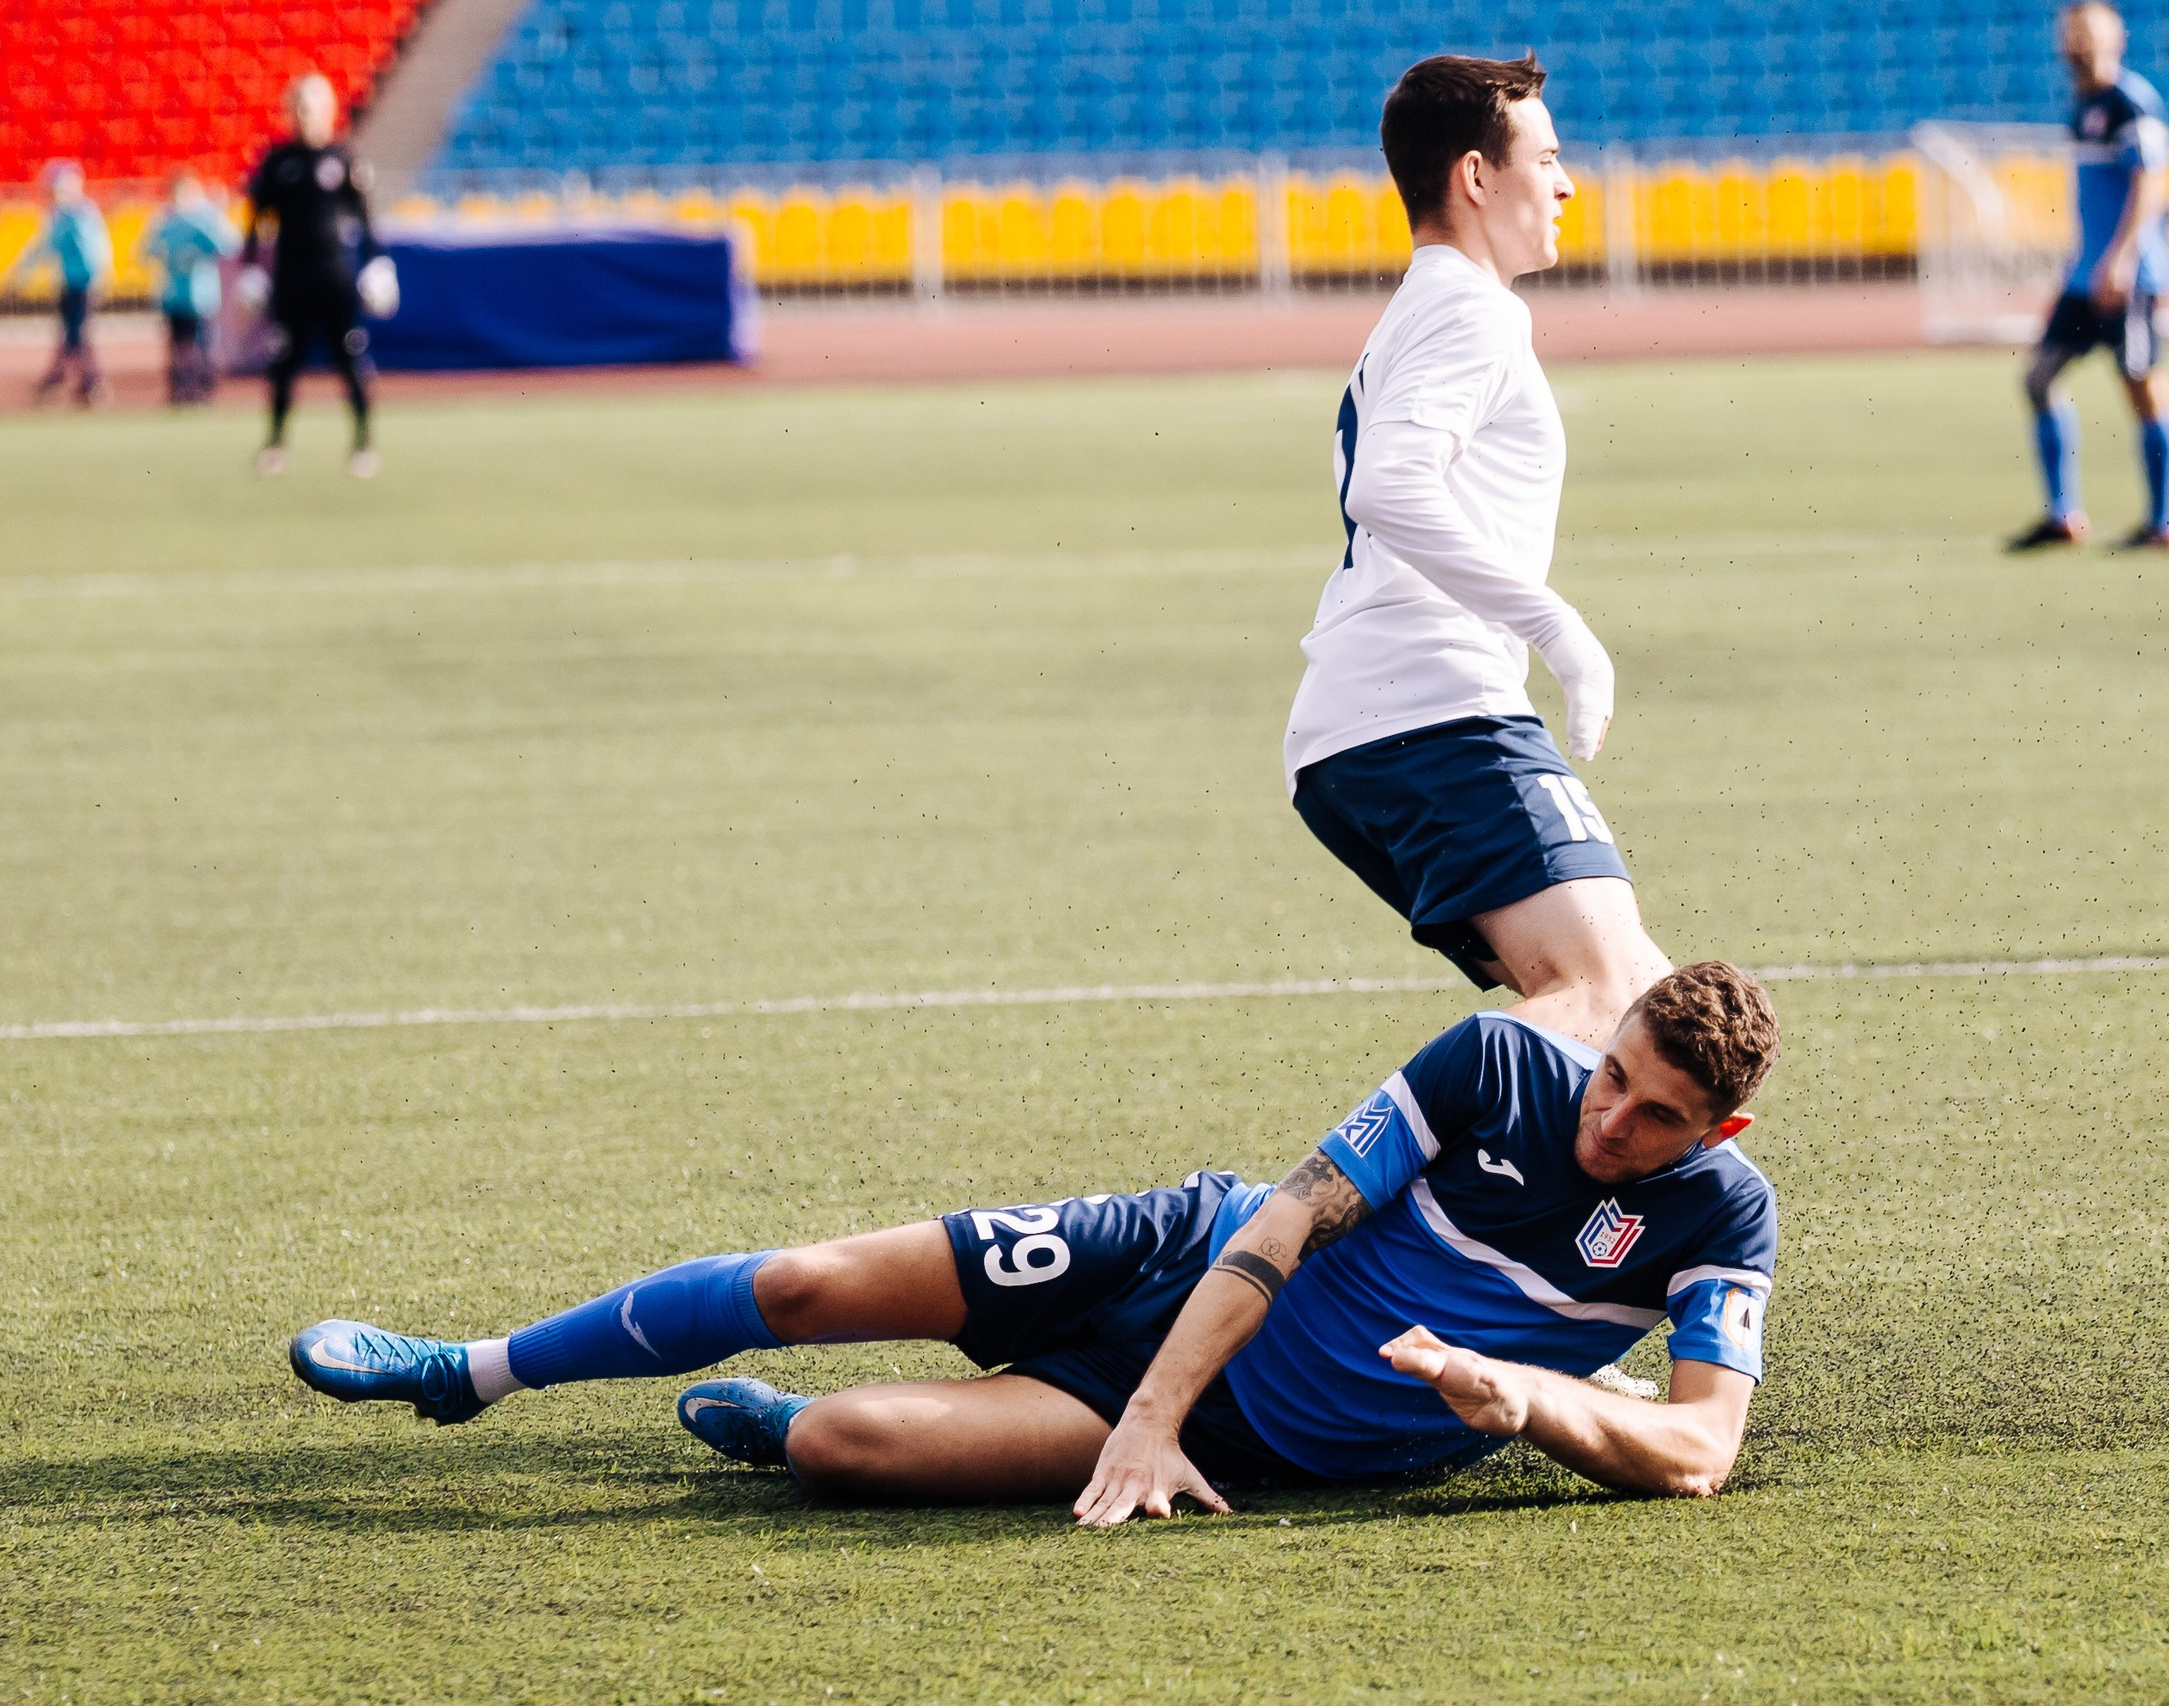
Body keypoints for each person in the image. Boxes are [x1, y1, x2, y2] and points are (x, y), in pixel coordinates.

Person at [290, 961, 1782, 1522]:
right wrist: (1148, 1412)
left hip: (1256, 1435)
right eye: (1612, 1076)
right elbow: (1282, 1215)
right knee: (806, 1282)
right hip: (1173, 1258)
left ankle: (784, 1429)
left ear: (1712, 1133)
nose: (1608, 1123)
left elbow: (1702, 1448)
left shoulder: (1722, 1219)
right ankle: (464, 1370)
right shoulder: (1491, 1063)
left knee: (843, 1454)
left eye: (1652, 1117)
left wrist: (1528, 1401)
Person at [1285, 53, 1673, 1052]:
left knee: (1639, 1024)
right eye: (1545, 157)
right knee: (1617, 1003)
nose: (1566, 182)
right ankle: (1334, 1200)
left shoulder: (1425, 307)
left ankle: (1493, 1212)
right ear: (1474, 176)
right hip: (1431, 713)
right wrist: (1557, 623)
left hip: (1375, 727)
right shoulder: (1470, 310)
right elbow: (1388, 482)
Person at [2006, 1, 2169, 554]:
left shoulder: (2131, 102)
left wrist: (2124, 255)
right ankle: (2064, 515)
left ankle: (2164, 523)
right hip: (2085, 278)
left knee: (2143, 388)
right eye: (2071, 33)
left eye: (2088, 33)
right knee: (2039, 380)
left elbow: (2150, 182)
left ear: (2117, 39)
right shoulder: (2082, 106)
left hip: (2126, 277)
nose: (2077, 43)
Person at [240, 74, 398, 479]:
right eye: (299, 108)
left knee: (351, 360)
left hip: (334, 278)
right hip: (291, 278)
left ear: (328, 111)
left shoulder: (344, 159)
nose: (306, 116)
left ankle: (363, 444)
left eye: (313, 108)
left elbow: (366, 220)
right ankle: (275, 444)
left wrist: (377, 263)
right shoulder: (277, 163)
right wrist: (251, 268)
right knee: (283, 363)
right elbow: (256, 222)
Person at [4, 161, 113, 407]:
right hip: (71, 283)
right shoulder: (65, 215)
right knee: (74, 333)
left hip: (82, 284)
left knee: (76, 334)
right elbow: (46, 246)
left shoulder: (78, 214)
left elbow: (91, 250)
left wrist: (22, 272)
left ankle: (76, 381)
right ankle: (80, 381)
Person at [139, 171, 240, 407]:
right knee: (177, 345)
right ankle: (180, 388)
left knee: (201, 343)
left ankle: (202, 389)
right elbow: (148, 251)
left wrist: (213, 222)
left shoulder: (204, 220)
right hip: (175, 293)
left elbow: (228, 245)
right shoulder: (165, 221)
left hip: (200, 294)